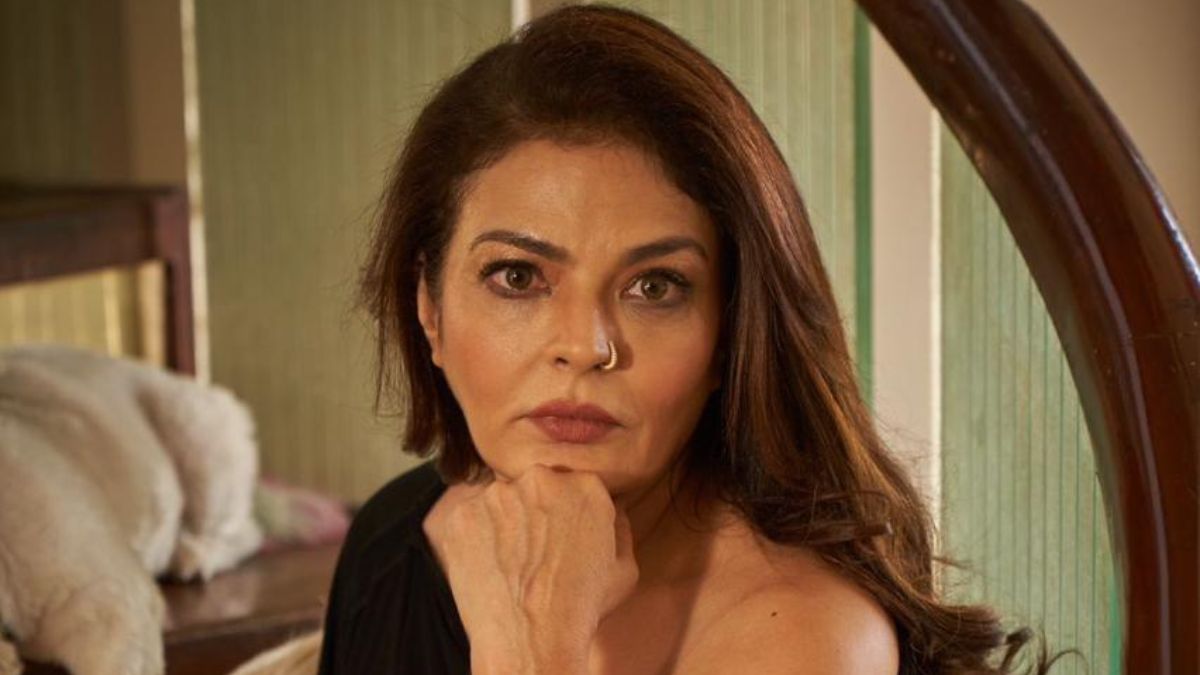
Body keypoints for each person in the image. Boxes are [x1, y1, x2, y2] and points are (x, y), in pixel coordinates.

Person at [319, 4, 1061, 674]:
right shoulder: (389, 540)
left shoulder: (803, 637)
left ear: (730, 334)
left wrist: (531, 647)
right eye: (517, 277)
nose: (585, 346)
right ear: (430, 309)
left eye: (654, 287)